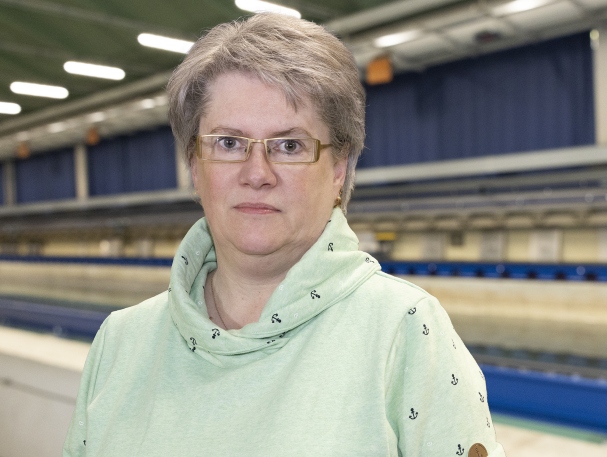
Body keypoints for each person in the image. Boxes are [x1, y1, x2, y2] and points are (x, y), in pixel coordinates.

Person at [64, 13, 505, 457]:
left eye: (289, 145)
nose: (257, 174)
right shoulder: (120, 342)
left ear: (338, 168)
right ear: (195, 166)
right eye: (229, 143)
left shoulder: (405, 332)